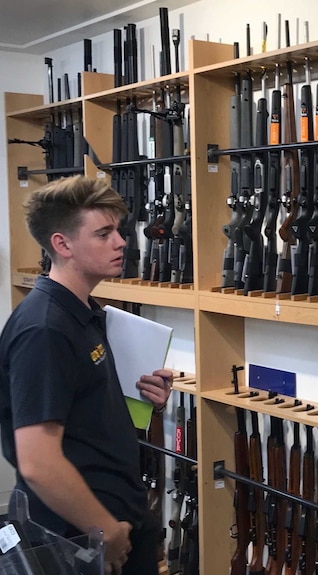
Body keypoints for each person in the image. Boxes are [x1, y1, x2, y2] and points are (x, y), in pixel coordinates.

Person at [0, 176, 173, 575]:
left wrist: (144, 400)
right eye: (104, 233)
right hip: (79, 539)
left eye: (119, 230)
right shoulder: (45, 329)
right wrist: (107, 531)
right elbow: (38, 463)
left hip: (113, 523)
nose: (121, 242)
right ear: (62, 244)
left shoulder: (85, 312)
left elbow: (83, 411)